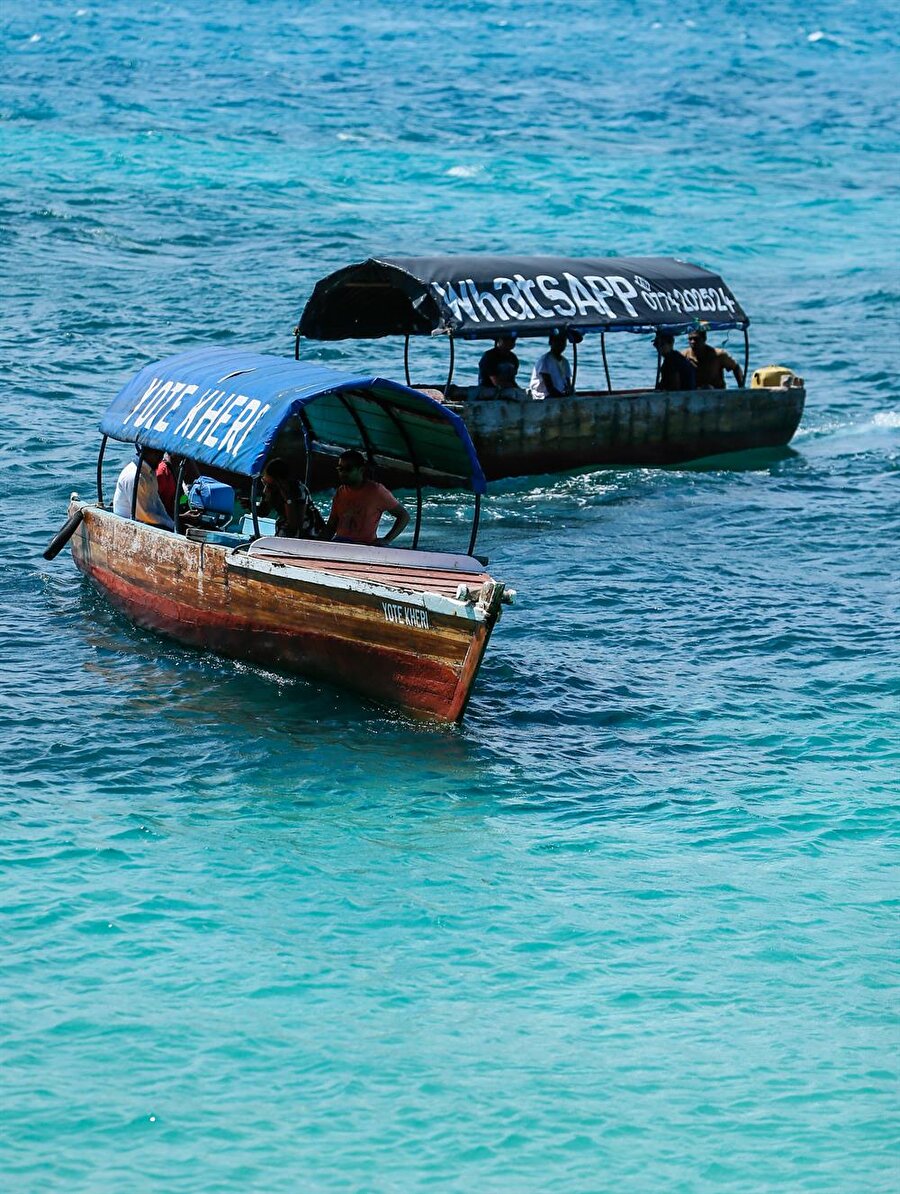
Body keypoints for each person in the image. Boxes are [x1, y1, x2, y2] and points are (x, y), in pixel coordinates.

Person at [325, 449, 410, 546]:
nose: (343, 473)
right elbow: (332, 523)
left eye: (348, 469)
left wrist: (387, 540)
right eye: (340, 469)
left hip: (365, 546)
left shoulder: (377, 491)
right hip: (340, 542)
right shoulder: (341, 491)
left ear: (361, 470)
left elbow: (404, 516)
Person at [258, 457, 326, 539]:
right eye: (264, 482)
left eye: (271, 484)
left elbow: (294, 526)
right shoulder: (270, 489)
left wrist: (287, 499)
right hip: (286, 527)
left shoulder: (299, 490)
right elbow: (264, 511)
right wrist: (252, 506)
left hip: (306, 531)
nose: (266, 488)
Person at [112, 448, 175, 530]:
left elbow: (157, 502)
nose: (161, 458)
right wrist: (170, 524)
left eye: (161, 454)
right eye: (158, 454)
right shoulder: (134, 476)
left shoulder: (149, 472)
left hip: (146, 520)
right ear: (149, 453)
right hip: (130, 525)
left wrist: (172, 520)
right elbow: (143, 515)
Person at [529, 330, 573, 399]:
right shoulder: (545, 360)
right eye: (557, 341)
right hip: (544, 396)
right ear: (550, 342)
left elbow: (568, 384)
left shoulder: (565, 362)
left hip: (559, 395)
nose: (560, 344)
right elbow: (549, 387)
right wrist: (562, 397)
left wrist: (569, 392)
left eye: (563, 341)